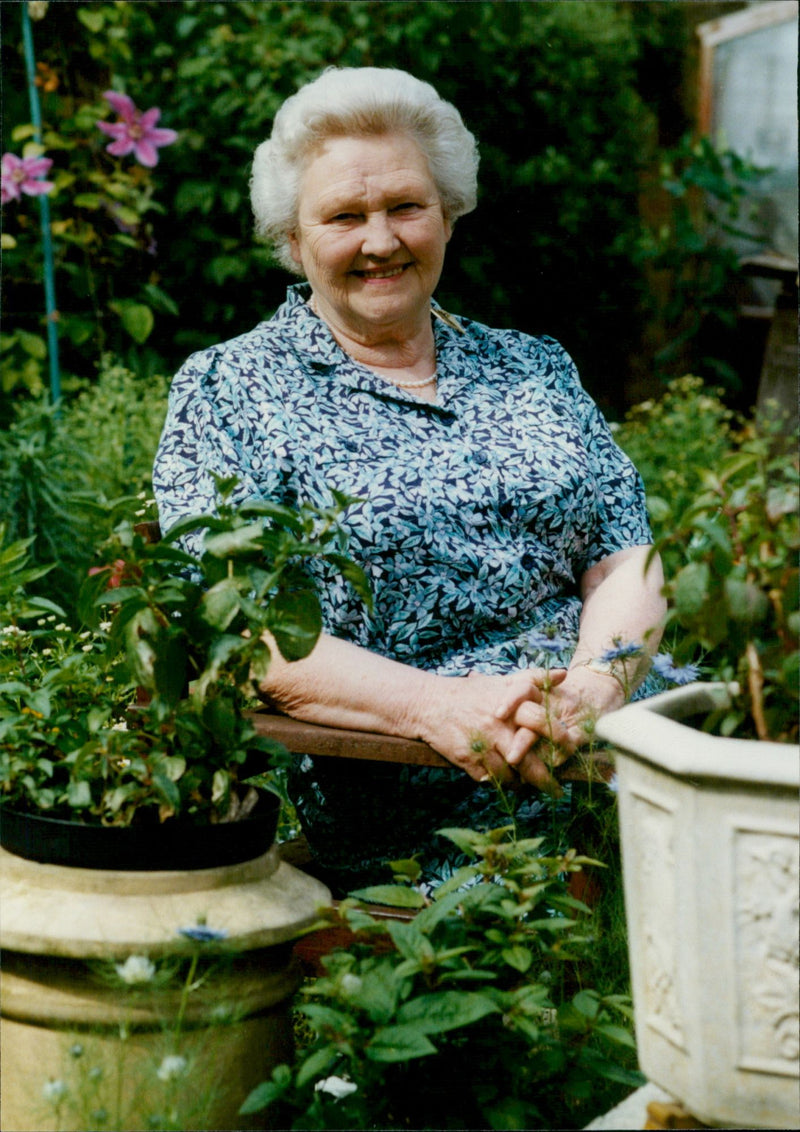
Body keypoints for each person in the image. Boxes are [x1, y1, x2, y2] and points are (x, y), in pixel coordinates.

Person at [154, 67, 666, 892]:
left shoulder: (531, 364)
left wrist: (594, 688)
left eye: (405, 207)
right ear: (292, 239)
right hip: (416, 779)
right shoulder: (230, 389)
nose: (381, 240)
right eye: (345, 217)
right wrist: (440, 709)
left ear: (449, 214)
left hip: (614, 731)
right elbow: (236, 627)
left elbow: (624, 556)